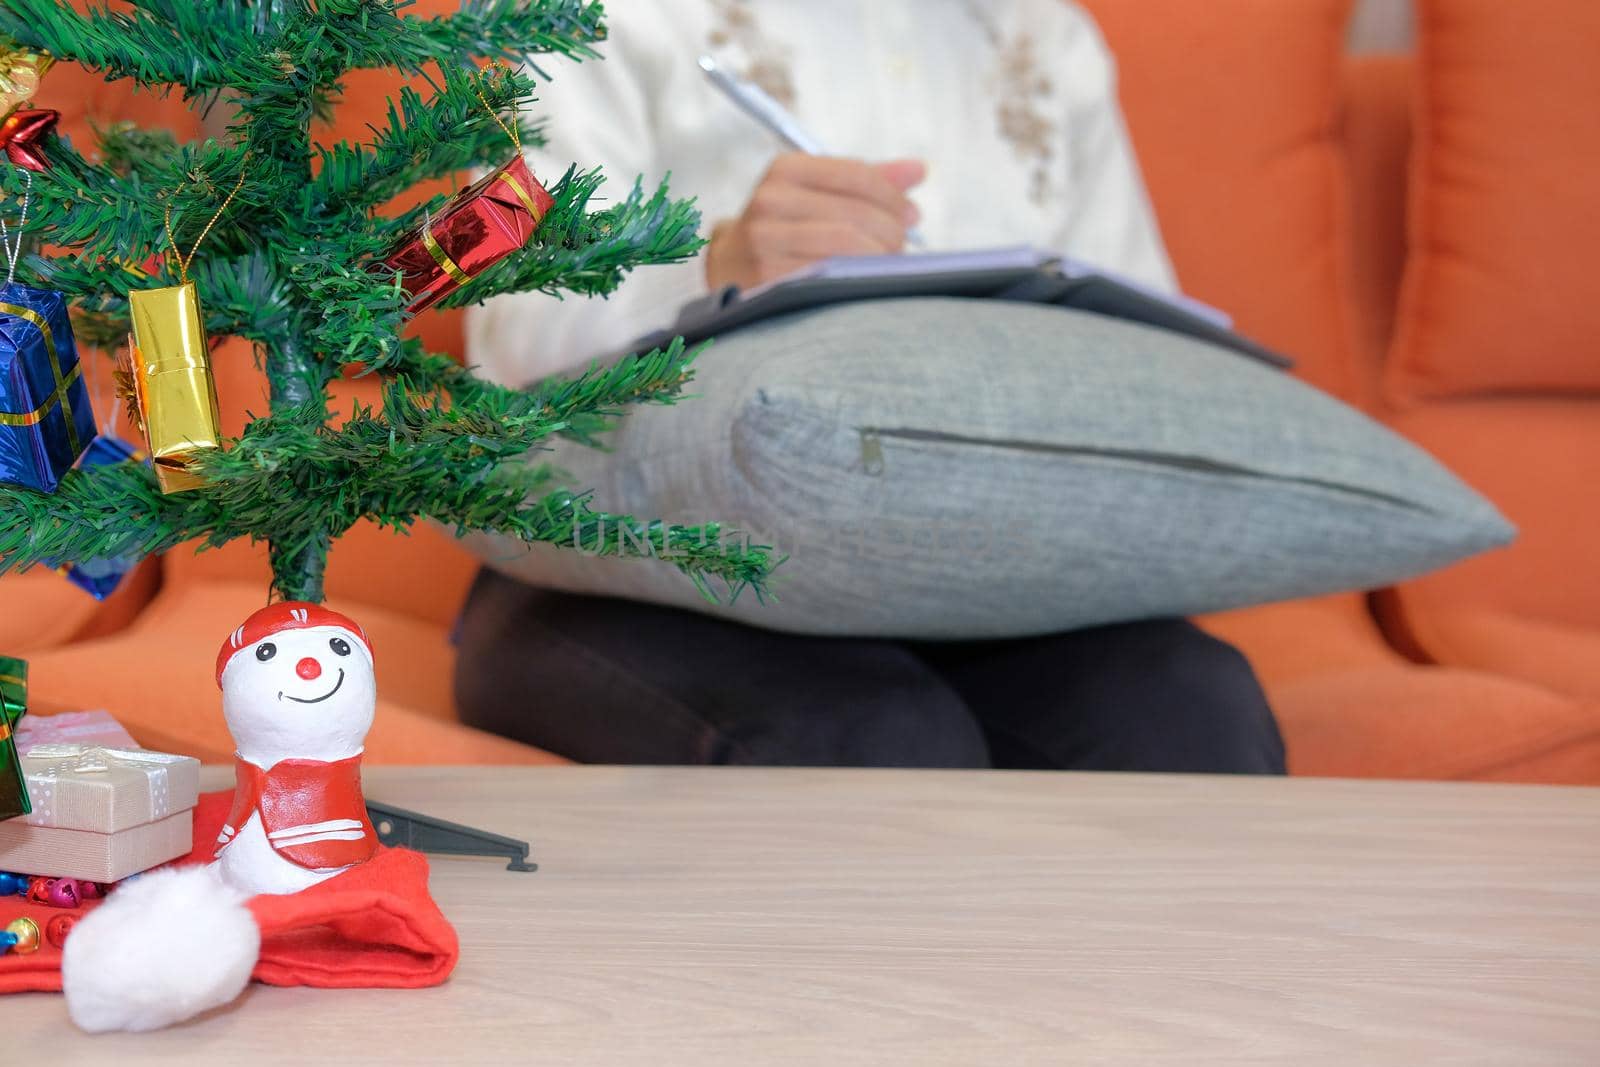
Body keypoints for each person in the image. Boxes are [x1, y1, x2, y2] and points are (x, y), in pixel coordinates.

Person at [458, 0, 1286, 774]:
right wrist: (717, 264)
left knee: (1195, 713)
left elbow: (1142, 335)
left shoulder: (1042, 28)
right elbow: (504, 321)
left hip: (986, 576)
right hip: (631, 572)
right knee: (877, 738)